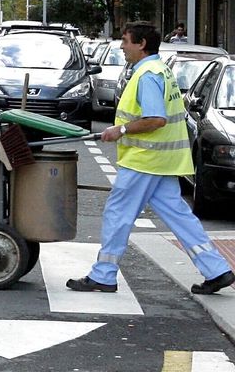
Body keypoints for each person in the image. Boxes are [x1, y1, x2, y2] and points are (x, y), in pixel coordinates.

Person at [66, 21, 234, 295]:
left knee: (117, 214)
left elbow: (156, 118)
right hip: (161, 161)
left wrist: (120, 130)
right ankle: (216, 270)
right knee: (179, 216)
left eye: (125, 40)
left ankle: (104, 275)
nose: (122, 46)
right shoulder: (161, 70)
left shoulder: (147, 75)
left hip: (145, 160)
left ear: (141, 44)